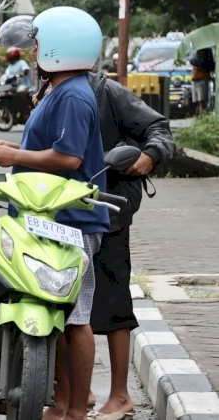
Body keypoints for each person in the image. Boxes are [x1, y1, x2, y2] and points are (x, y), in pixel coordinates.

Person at [0, 7, 109, 420]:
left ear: (57, 48)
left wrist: (13, 154)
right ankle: (59, 403)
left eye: (38, 44)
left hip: (72, 221)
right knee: (57, 313)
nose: (33, 50)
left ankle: (75, 410)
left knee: (76, 318)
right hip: (49, 216)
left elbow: (69, 158)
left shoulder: (73, 94)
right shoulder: (60, 88)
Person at [79, 71, 174, 419]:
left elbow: (159, 128)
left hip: (108, 210)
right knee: (62, 302)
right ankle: (78, 391)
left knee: (113, 301)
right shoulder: (48, 91)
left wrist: (150, 156)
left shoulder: (108, 91)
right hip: (61, 212)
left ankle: (120, 395)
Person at [189, 48, 213, 116]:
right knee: (198, 102)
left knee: (201, 102)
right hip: (196, 79)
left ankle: (201, 118)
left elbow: (208, 65)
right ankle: (199, 118)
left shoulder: (206, 51)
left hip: (202, 78)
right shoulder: (195, 51)